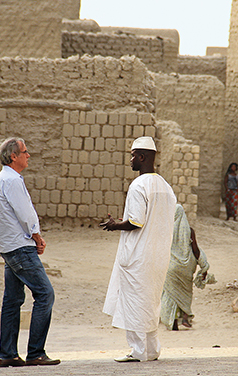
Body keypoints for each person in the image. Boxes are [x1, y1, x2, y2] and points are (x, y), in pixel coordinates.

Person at [101, 136, 177, 362]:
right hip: (158, 256)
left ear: (143, 157)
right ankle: (152, 350)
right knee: (150, 302)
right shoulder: (165, 187)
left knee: (135, 303)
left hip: (138, 256)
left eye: (133, 155)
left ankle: (138, 350)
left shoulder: (138, 185)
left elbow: (135, 222)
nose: (131, 160)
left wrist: (115, 225)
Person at [0, 137, 60, 367]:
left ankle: (7, 354)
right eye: (25, 152)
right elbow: (25, 214)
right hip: (20, 248)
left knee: (12, 300)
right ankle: (35, 353)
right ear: (14, 156)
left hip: (10, 247)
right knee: (45, 294)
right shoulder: (11, 180)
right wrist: (37, 237)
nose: (28, 155)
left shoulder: (4, 178)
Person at [160, 204, 216, 331]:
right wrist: (203, 266)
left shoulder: (166, 230)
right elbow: (195, 250)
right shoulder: (190, 231)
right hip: (186, 267)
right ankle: (185, 317)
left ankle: (173, 322)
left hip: (172, 267)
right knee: (186, 292)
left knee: (171, 295)